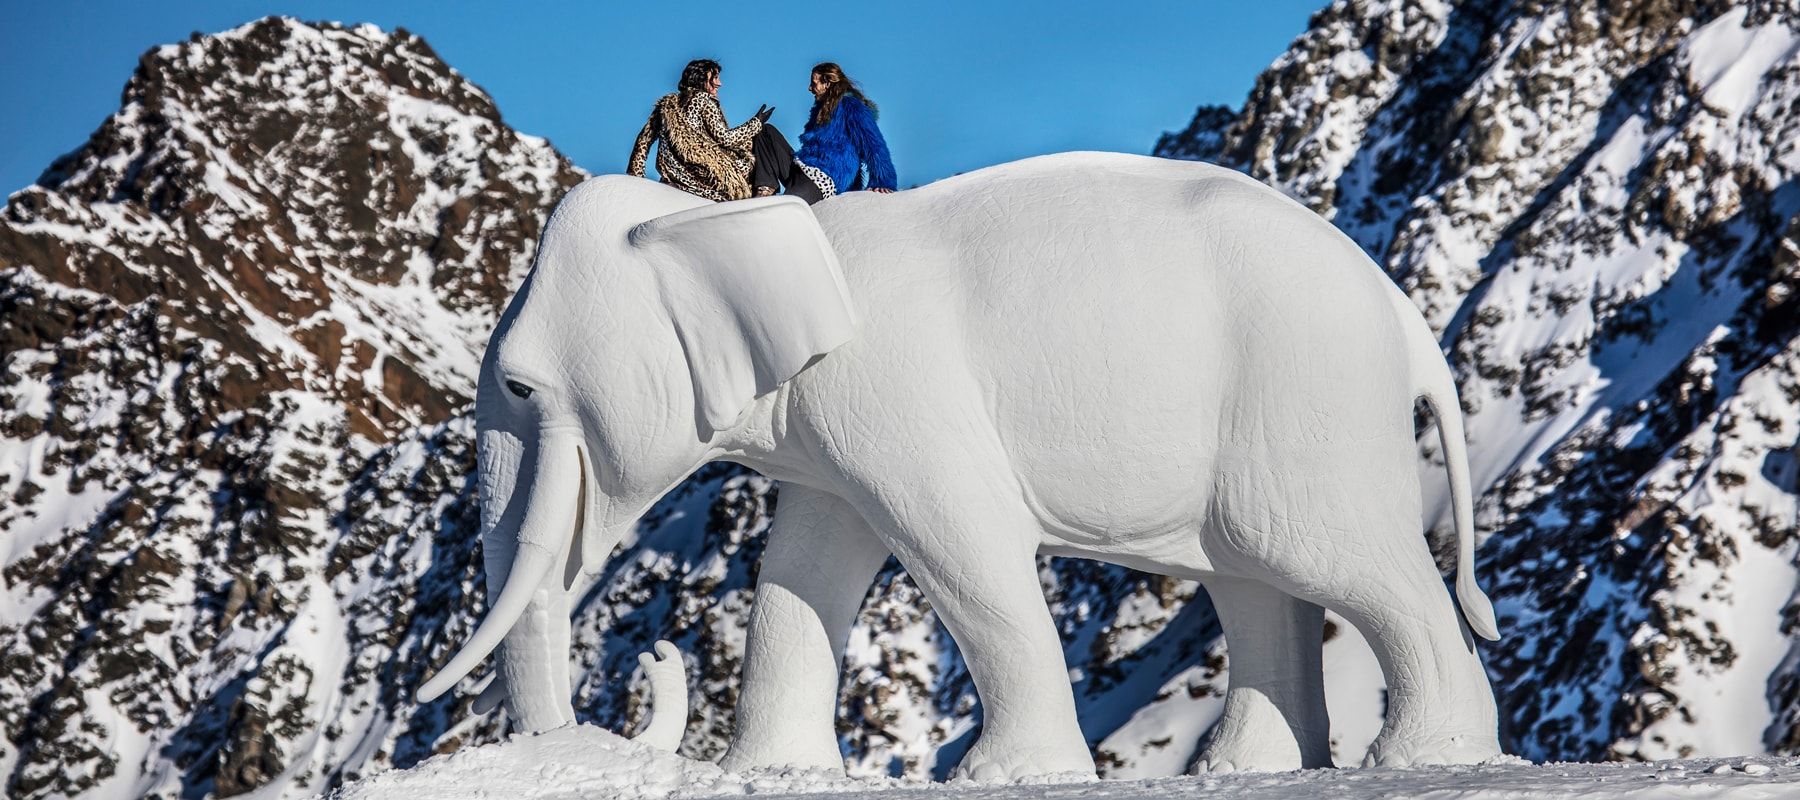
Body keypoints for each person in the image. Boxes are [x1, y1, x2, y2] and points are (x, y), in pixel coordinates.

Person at [628, 59, 773, 202]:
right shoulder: (703, 100)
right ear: (701, 78)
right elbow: (724, 138)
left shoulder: (665, 107)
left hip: (675, 176)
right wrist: (756, 123)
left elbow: (643, 141)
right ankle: (767, 189)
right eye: (715, 77)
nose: (719, 83)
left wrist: (637, 178)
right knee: (765, 135)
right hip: (709, 175)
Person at [750, 62, 897, 203]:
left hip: (823, 178)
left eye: (814, 83)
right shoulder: (820, 111)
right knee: (765, 130)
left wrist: (884, 180)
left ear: (827, 83)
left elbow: (873, 143)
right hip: (801, 168)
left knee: (785, 208)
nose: (809, 88)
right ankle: (765, 189)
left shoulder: (851, 107)